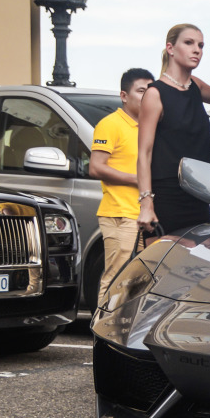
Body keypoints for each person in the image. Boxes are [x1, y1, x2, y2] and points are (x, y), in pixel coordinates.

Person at [137, 24, 210, 238]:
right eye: (189, 43)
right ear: (170, 48)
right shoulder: (155, 94)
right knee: (163, 268)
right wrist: (146, 204)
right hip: (168, 198)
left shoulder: (195, 85)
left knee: (198, 269)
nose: (197, 50)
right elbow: (143, 154)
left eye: (201, 45)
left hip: (199, 195)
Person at [90, 68, 154, 307]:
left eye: (150, 91)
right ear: (124, 96)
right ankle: (102, 335)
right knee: (115, 276)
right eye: (140, 91)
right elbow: (96, 168)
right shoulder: (110, 124)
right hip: (119, 213)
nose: (146, 96)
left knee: (141, 279)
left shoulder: (151, 126)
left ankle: (124, 333)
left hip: (146, 215)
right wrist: (139, 179)